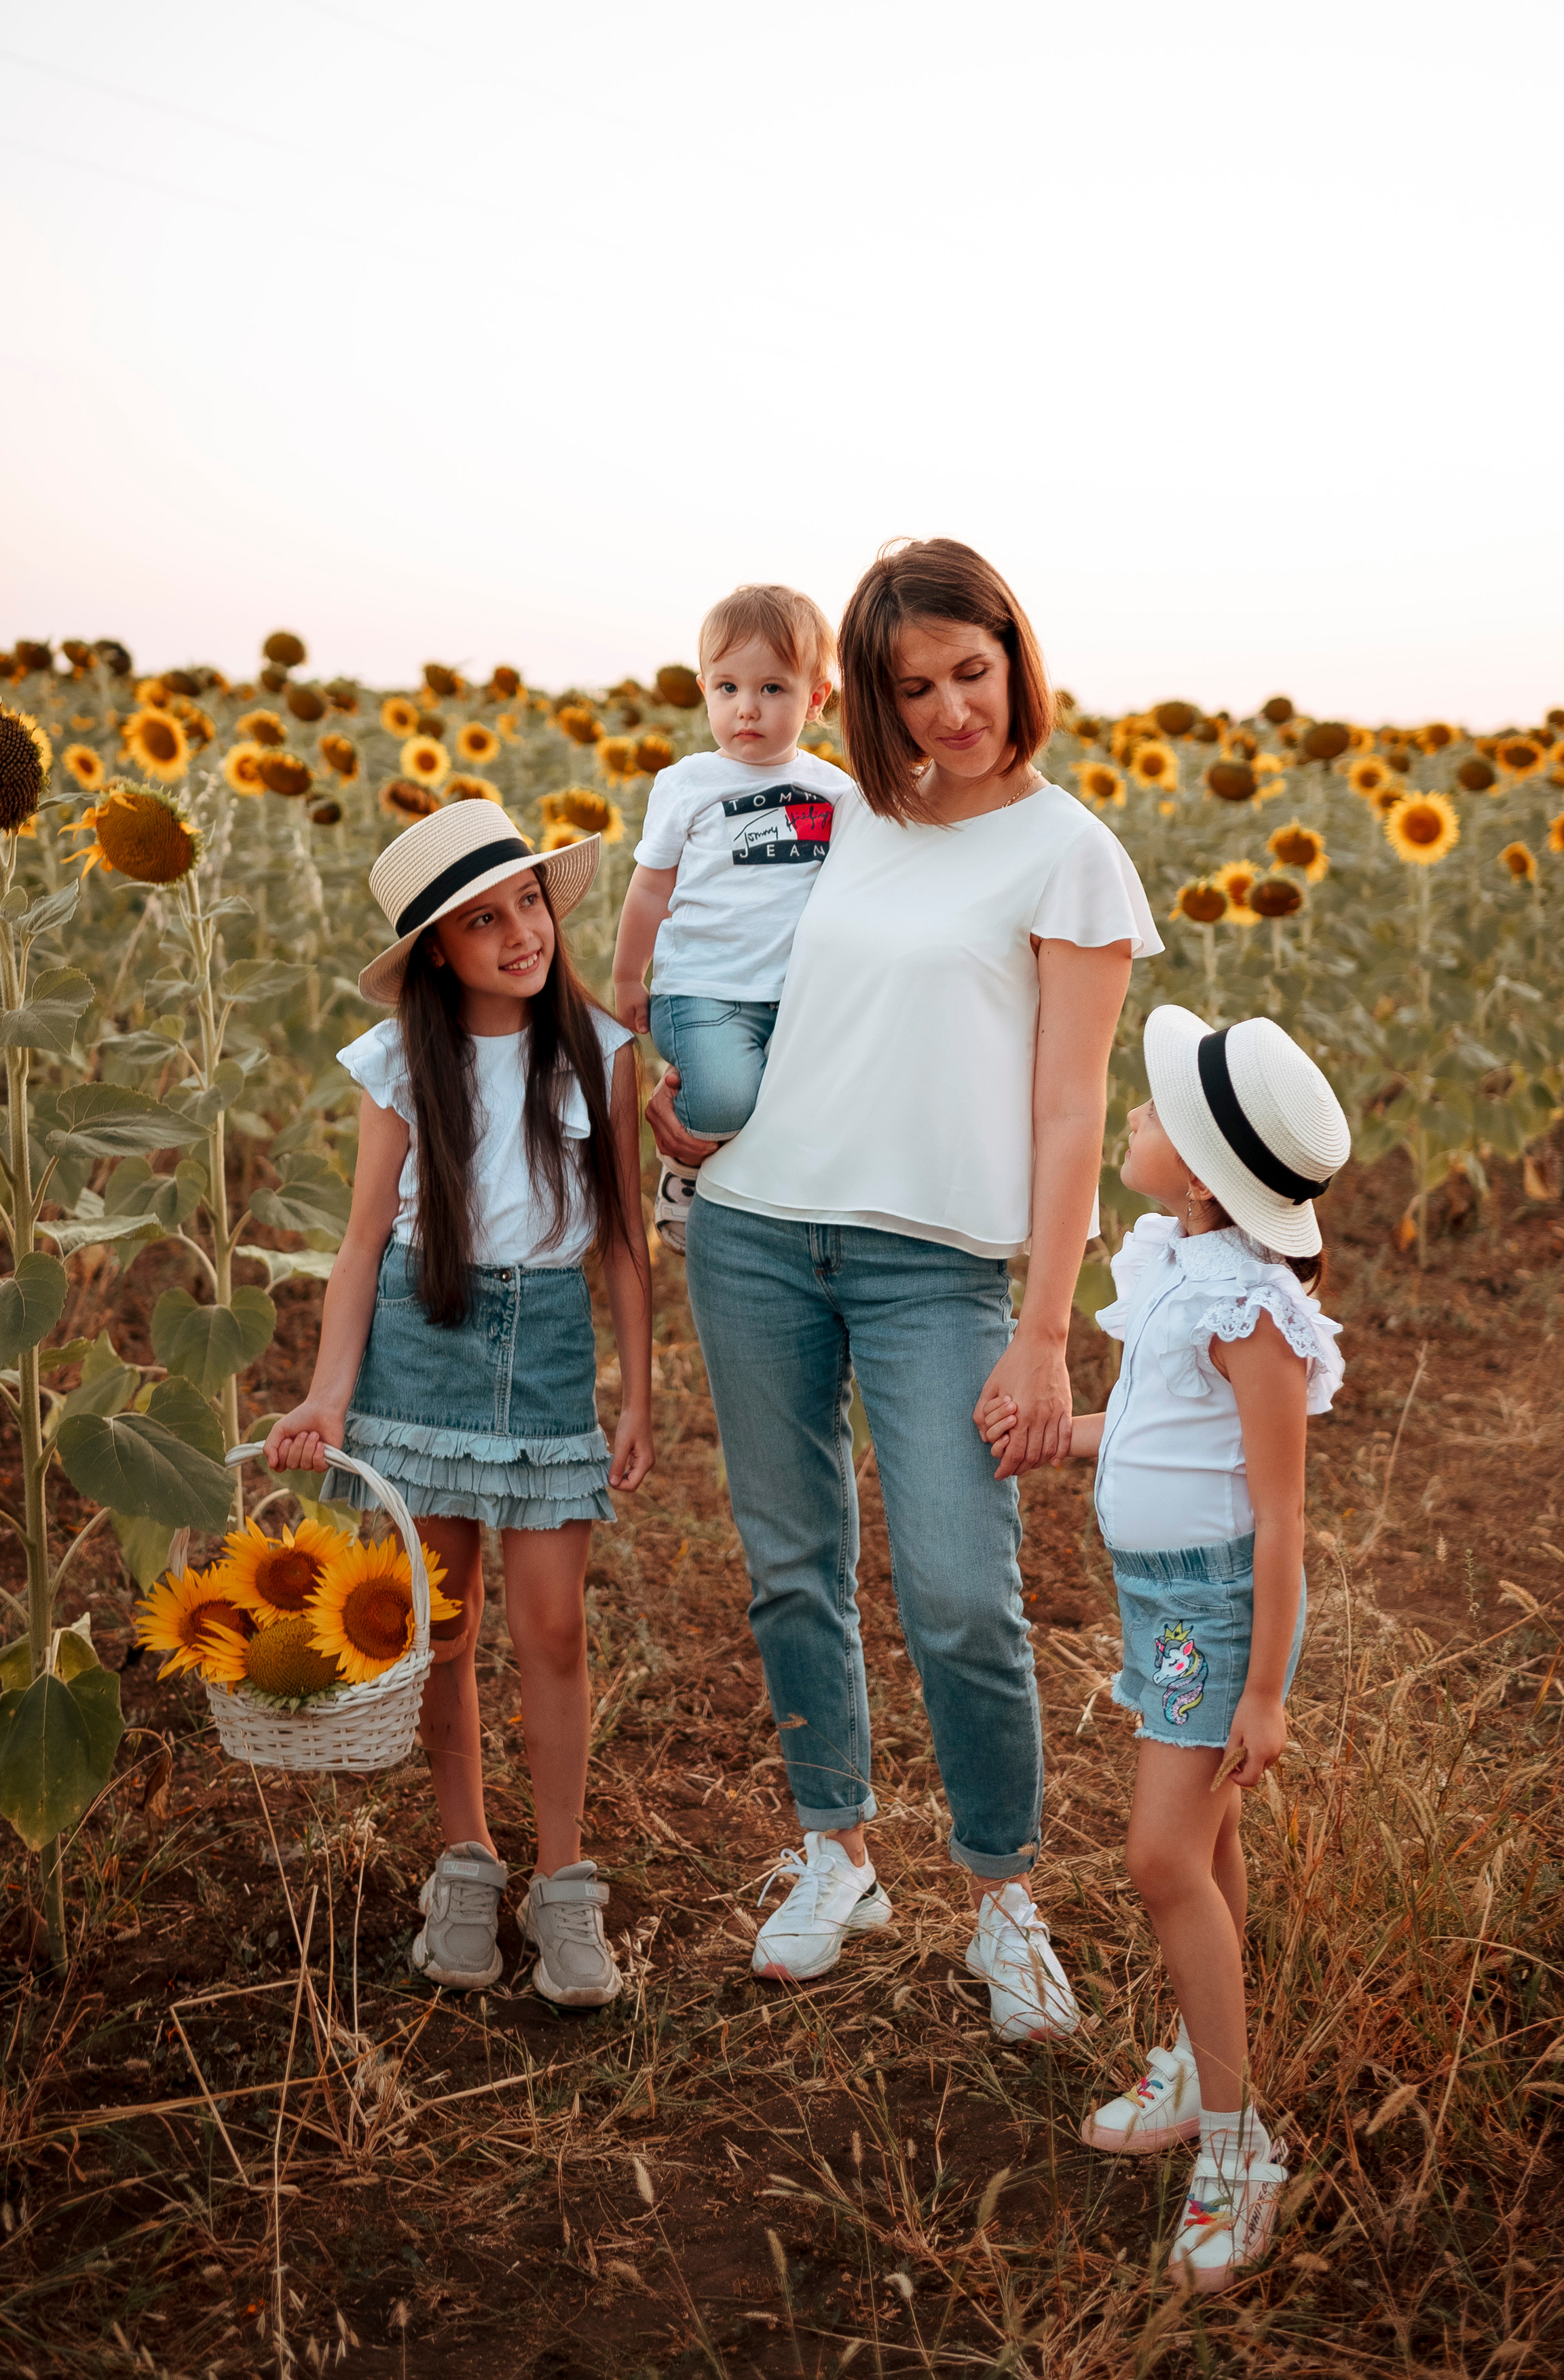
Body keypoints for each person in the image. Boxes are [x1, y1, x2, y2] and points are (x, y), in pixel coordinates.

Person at [646, 538, 1161, 2039]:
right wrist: (701, 1106)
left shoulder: (1071, 852)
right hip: (752, 1228)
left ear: (1017, 657)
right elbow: (732, 961)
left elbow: (1071, 1109)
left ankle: (1005, 1895)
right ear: (865, 696)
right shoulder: (842, 815)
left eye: (972, 673)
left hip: (939, 1264)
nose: (949, 711)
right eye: (913, 685)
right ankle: (838, 1849)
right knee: (791, 1561)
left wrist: (1049, 1331)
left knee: (958, 1590)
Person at [263, 799, 654, 2005]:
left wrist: (635, 1393)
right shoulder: (397, 1064)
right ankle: (465, 1862)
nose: (517, 934)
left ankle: (565, 1879)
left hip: (542, 1356)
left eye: (527, 903)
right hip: (418, 1349)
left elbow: (626, 1243)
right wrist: (329, 1394)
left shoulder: (599, 1046)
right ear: (438, 948)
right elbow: (361, 1239)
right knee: (445, 1628)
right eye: (482, 921)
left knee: (552, 1631)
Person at [986, 1006, 1347, 2288]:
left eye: (1143, 1113)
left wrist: (1263, 1690)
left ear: (1195, 1170)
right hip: (1156, 1601)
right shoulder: (1171, 1264)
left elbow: (1277, 1509)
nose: (1126, 1117)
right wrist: (1060, 1438)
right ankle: (1205, 2065)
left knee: (1155, 1857)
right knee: (1207, 1844)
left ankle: (1243, 2138)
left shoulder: (1252, 1309)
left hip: (1212, 1617)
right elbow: (1150, 1434)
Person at [612, 582, 849, 1252]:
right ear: (705, 690)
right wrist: (631, 977)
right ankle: (683, 1171)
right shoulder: (688, 783)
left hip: (796, 997)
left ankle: (759, 1217)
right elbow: (651, 889)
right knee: (720, 1100)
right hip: (703, 988)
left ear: (817, 696)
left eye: (773, 688)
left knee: (792, 1117)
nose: (748, 708)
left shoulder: (837, 792)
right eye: (728, 688)